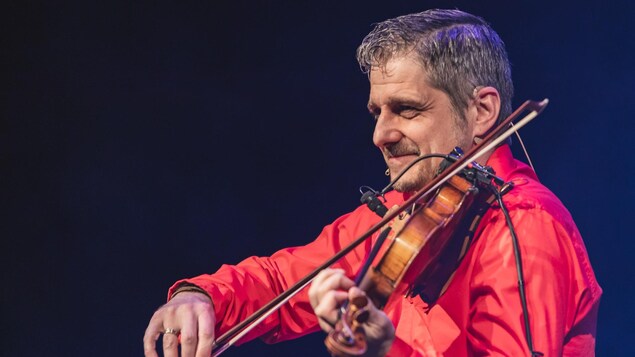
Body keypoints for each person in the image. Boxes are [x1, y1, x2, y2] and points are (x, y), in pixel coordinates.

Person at [143, 9, 601, 357]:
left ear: (482, 111)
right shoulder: (409, 209)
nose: (380, 134)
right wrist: (200, 297)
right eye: (377, 112)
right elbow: (284, 276)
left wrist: (388, 349)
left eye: (406, 109)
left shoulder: (523, 226)